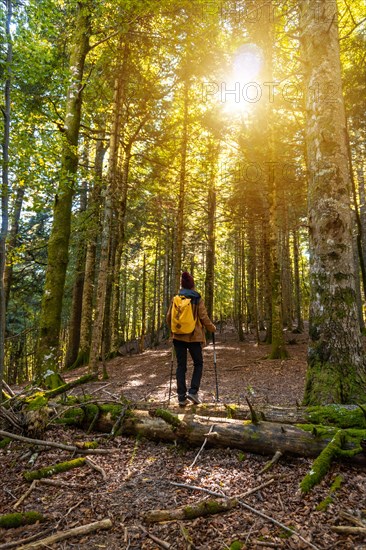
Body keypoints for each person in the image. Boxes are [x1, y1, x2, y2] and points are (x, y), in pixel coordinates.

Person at [166, 271, 216, 406]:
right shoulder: (197, 298)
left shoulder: (176, 298)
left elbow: (169, 317)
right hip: (194, 337)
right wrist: (212, 328)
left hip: (178, 337)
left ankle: (181, 397)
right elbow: (203, 317)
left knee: (181, 365)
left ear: (182, 285)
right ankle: (193, 391)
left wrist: (173, 331)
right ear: (192, 285)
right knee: (198, 363)